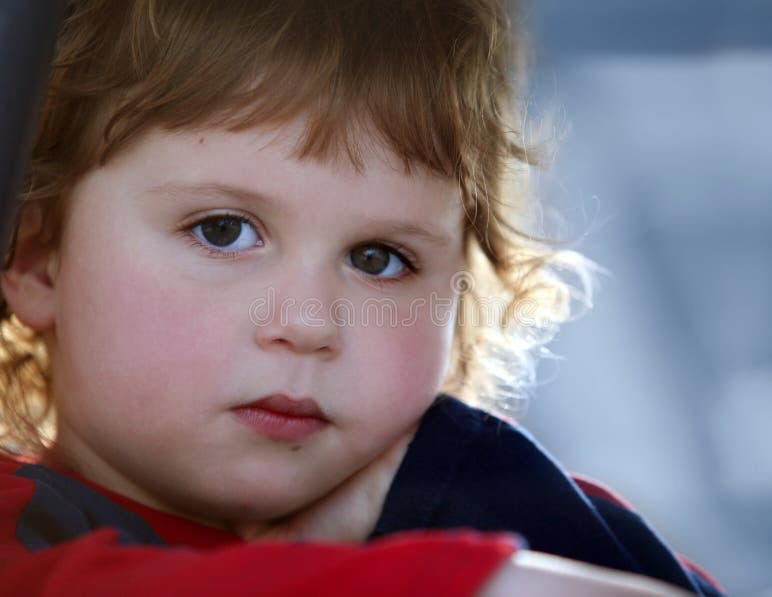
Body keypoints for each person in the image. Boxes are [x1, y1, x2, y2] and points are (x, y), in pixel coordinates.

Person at [0, 1, 723, 595]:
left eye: (378, 259)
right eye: (223, 231)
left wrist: (452, 484)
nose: (309, 324)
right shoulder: (22, 532)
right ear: (36, 260)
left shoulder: (520, 504)